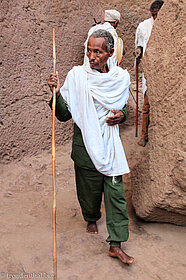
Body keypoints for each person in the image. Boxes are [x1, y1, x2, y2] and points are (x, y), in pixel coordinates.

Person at [47, 29, 134, 264]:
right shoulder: (77, 77)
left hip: (110, 145)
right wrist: (55, 94)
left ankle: (115, 243)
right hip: (85, 146)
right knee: (89, 191)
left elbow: (123, 105)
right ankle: (91, 216)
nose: (92, 56)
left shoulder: (120, 78)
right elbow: (65, 115)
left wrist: (121, 115)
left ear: (110, 53)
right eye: (89, 50)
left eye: (98, 51)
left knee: (115, 194)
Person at [135, 0, 164, 147]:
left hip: (164, 72)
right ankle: (144, 135)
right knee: (146, 106)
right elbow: (139, 44)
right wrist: (139, 51)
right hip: (150, 72)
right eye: (153, 14)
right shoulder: (144, 26)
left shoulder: (168, 26)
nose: (156, 17)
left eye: (158, 14)